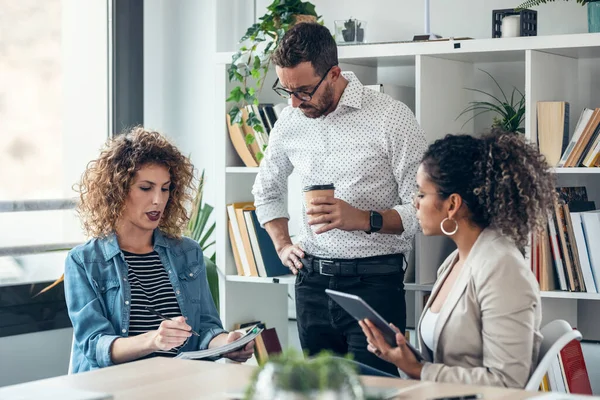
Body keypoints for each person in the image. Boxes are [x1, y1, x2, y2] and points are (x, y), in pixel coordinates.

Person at [252, 22, 427, 376]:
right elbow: (265, 190)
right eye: (285, 90)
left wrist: (362, 218)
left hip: (375, 282)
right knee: (319, 392)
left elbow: (423, 208)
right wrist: (283, 245)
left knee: (374, 391)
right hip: (311, 282)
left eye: (303, 90)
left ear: (333, 73)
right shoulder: (290, 120)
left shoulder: (392, 117)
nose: (293, 102)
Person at [359, 130, 557, 388]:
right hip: (436, 393)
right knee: (337, 373)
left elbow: (507, 382)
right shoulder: (454, 261)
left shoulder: (502, 269)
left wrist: (418, 369)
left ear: (452, 204)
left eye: (421, 193)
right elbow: (439, 361)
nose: (414, 203)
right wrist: (402, 356)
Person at [64, 127, 254, 373]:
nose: (158, 200)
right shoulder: (85, 261)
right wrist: (154, 340)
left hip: (179, 381)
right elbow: (94, 345)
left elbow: (206, 329)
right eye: (146, 188)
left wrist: (227, 344)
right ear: (117, 191)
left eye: (165, 188)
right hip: (116, 386)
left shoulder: (187, 253)